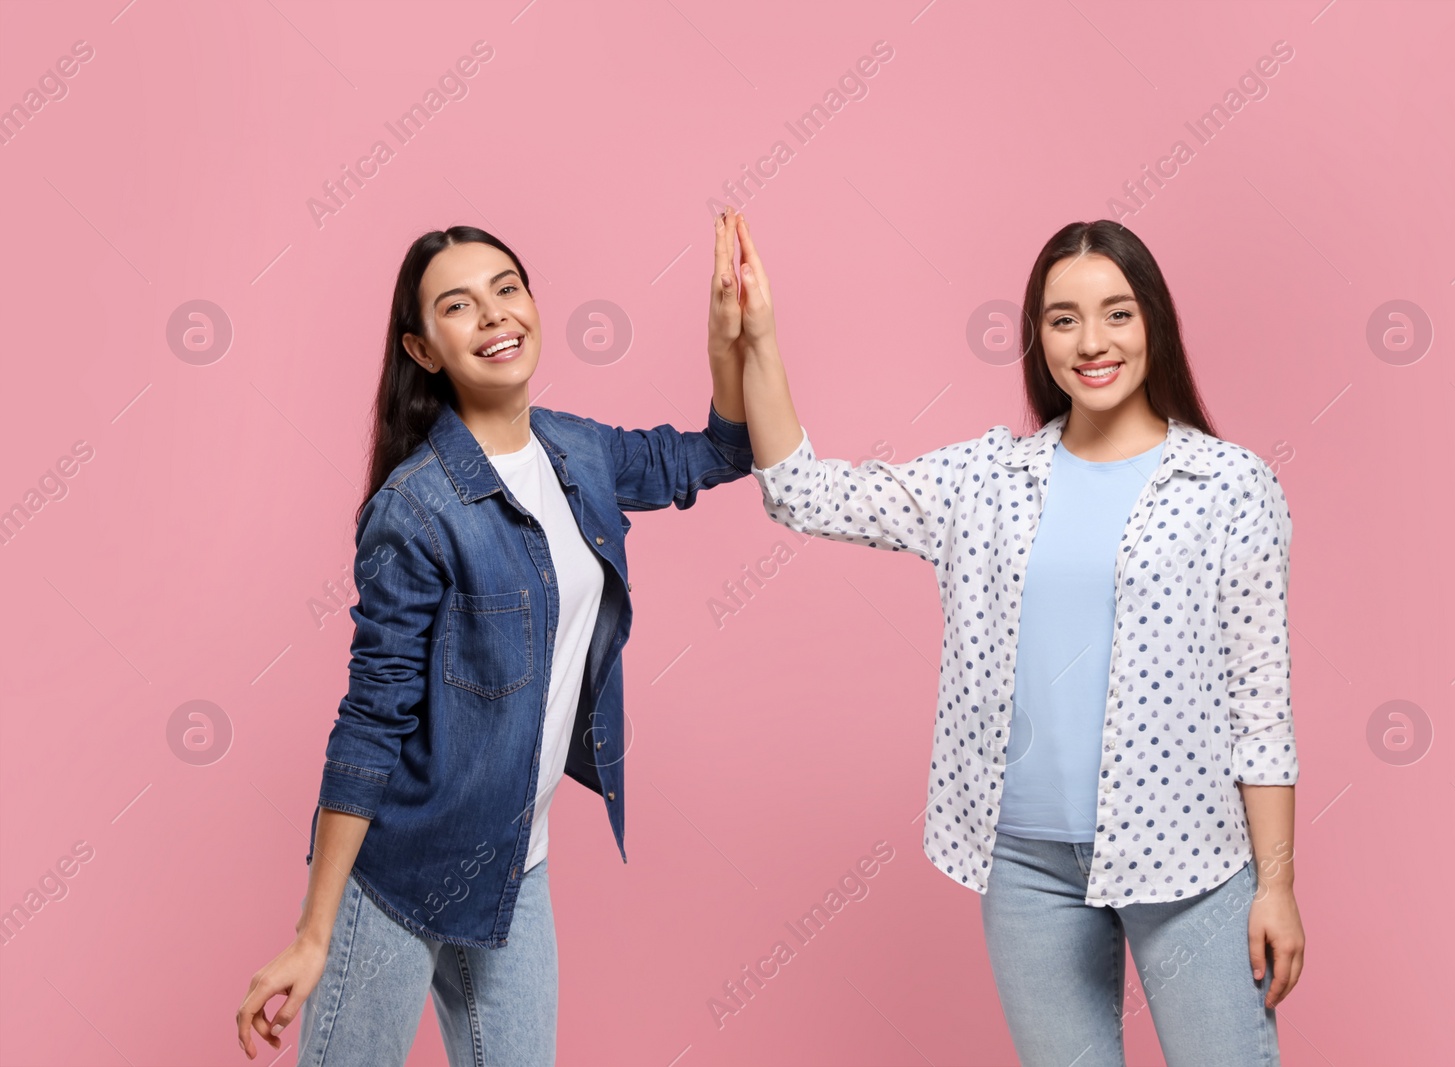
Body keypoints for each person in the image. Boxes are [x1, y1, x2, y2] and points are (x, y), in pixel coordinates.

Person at [728, 213, 1305, 1066]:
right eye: (1062, 318)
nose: (1092, 341)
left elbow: (1262, 703)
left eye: (1117, 312)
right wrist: (762, 342)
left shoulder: (1228, 485)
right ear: (1038, 339)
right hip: (1026, 868)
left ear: (1153, 321)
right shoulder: (986, 480)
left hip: (1191, 860)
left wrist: (1278, 883)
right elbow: (803, 493)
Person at [236, 218, 752, 1064]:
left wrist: (730, 342)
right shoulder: (417, 508)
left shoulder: (577, 452)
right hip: (401, 876)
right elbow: (371, 722)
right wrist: (312, 929)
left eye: (506, 289)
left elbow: (720, 453)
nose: (493, 315)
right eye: (458, 305)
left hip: (516, 863)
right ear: (424, 347)